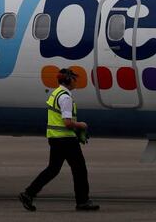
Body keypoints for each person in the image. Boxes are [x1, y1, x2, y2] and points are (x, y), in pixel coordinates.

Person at [19, 68, 100, 211]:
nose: (76, 82)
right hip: (66, 140)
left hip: (56, 139)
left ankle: (29, 193)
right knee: (79, 169)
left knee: (53, 169)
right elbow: (67, 122)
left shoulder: (56, 93)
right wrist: (81, 125)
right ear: (68, 80)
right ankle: (82, 201)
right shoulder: (66, 97)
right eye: (75, 79)